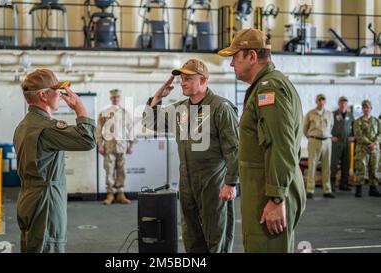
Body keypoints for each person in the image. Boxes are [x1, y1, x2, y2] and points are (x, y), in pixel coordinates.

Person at [218, 28, 306, 253]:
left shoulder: (270, 89)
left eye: (235, 57)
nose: (231, 65)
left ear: (252, 56)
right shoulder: (266, 86)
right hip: (265, 188)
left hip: (269, 192)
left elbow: (281, 145)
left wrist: (276, 199)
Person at [142, 59, 239, 253]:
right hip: (187, 181)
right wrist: (158, 96)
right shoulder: (180, 109)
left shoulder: (221, 108)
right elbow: (150, 122)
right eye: (182, 78)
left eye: (188, 78)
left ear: (203, 80)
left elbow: (234, 148)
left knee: (216, 236)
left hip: (213, 182)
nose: (182, 83)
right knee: (191, 237)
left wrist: (231, 183)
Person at [14, 69, 96, 252]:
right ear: (43, 95)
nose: (60, 94)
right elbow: (88, 139)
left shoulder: (24, 125)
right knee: (48, 246)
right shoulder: (46, 128)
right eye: (57, 90)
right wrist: (79, 108)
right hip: (46, 202)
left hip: (28, 197)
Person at [97, 89, 135, 205]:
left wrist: (131, 144)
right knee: (109, 170)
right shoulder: (105, 112)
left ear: (120, 98)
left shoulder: (125, 113)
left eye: (117, 97)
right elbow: (99, 129)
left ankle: (120, 193)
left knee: (121, 170)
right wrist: (100, 144)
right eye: (113, 97)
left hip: (122, 146)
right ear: (110, 98)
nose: (115, 99)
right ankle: (110, 194)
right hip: (109, 146)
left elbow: (131, 129)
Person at [303, 94, 335, 199]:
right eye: (319, 101)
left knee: (327, 167)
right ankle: (310, 190)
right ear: (316, 102)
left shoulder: (329, 114)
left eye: (323, 101)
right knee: (312, 166)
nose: (321, 102)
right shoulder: (310, 114)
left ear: (325, 102)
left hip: (327, 142)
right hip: (314, 141)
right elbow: (304, 128)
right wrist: (311, 137)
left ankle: (327, 190)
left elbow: (331, 126)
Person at [353, 99, 381, 198]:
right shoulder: (358, 121)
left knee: (374, 169)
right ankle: (359, 189)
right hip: (362, 149)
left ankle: (373, 189)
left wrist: (375, 143)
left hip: (374, 150)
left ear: (371, 109)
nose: (366, 109)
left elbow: (380, 133)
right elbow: (358, 135)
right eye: (364, 108)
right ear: (362, 109)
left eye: (367, 107)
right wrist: (370, 143)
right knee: (361, 169)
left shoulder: (377, 121)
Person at [330, 96, 354, 192]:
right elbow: (328, 126)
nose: (343, 104)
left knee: (346, 164)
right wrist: (330, 136)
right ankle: (331, 184)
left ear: (347, 104)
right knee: (333, 164)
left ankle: (343, 184)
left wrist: (353, 136)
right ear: (338, 104)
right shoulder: (333, 114)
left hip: (347, 143)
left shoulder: (350, 115)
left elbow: (354, 128)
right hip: (336, 143)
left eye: (345, 103)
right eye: (341, 103)